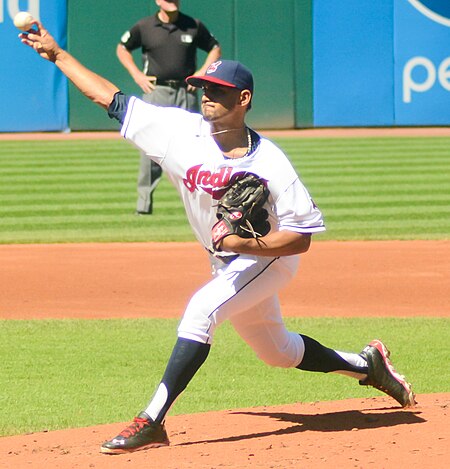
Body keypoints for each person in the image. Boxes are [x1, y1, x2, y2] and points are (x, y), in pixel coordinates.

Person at [19, 21, 416, 455]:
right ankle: (368, 365)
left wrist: (244, 245)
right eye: (203, 88)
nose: (206, 95)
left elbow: (301, 238)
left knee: (200, 311)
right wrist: (58, 55)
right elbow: (109, 99)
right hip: (227, 260)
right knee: (278, 351)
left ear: (243, 99)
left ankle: (151, 420)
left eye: (218, 90)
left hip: (268, 259)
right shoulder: (175, 131)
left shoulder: (272, 163)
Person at [117, 0, 221, 214]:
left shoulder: (193, 25)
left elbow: (214, 48)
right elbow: (122, 48)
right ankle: (144, 206)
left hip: (186, 91)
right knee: (150, 149)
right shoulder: (145, 26)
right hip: (157, 92)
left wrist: (201, 73)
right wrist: (137, 75)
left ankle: (201, 203)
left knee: (195, 147)